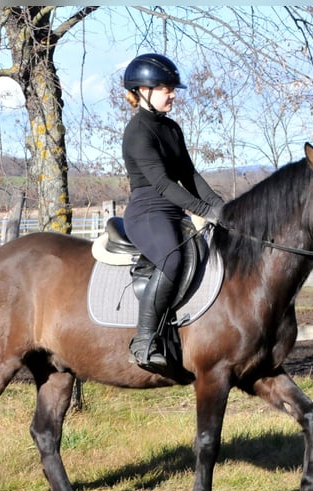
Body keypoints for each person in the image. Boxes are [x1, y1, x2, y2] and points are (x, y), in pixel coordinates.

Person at [121, 53, 225, 374]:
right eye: (166, 88)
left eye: (172, 88)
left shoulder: (172, 128)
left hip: (172, 209)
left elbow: (190, 175)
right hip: (147, 211)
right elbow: (164, 184)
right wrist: (203, 210)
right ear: (142, 91)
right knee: (172, 258)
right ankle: (144, 341)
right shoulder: (138, 131)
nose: (172, 94)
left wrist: (222, 208)